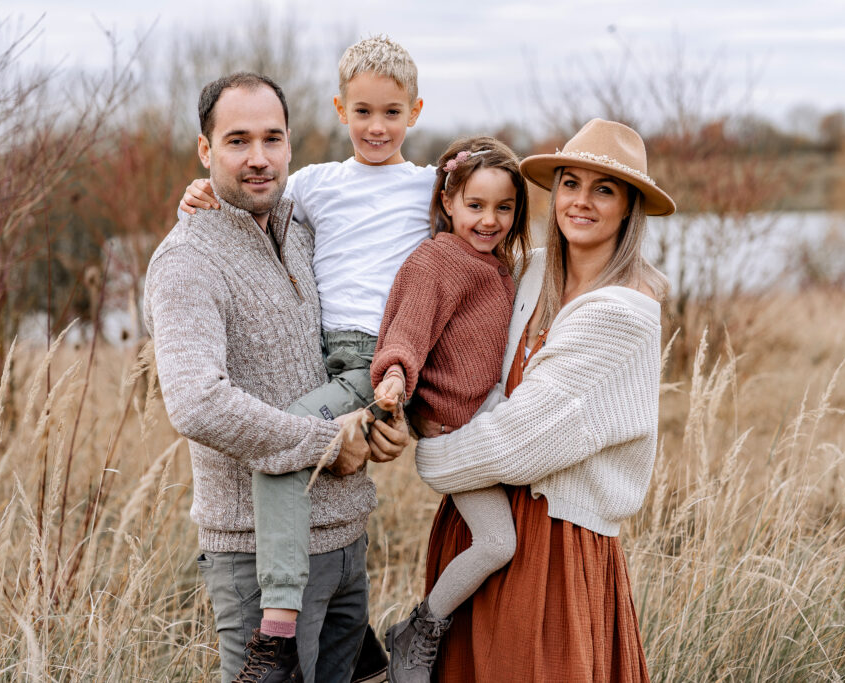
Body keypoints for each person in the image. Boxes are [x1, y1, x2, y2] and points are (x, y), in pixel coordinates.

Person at [177, 37, 434, 682]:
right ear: (205, 150)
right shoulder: (190, 258)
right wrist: (325, 442)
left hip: (344, 541)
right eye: (237, 141)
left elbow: (481, 226)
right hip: (257, 562)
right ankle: (278, 629)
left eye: (272, 139)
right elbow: (196, 403)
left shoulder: (299, 221)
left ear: (290, 142)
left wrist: (385, 422)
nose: (258, 158)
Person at [411, 118, 676, 682]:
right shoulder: (526, 271)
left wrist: (432, 455)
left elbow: (522, 442)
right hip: (478, 526)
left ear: (629, 208)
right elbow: (440, 302)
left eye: (604, 190)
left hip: (552, 545)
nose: (581, 201)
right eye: (570, 184)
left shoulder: (621, 313)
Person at [368, 137, 531, 682]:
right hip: (450, 435)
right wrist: (395, 377)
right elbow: (408, 330)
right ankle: (421, 627)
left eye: (504, 207)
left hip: (483, 424)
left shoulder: (499, 264)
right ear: (448, 201)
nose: (489, 220)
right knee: (498, 542)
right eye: (475, 205)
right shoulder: (438, 260)